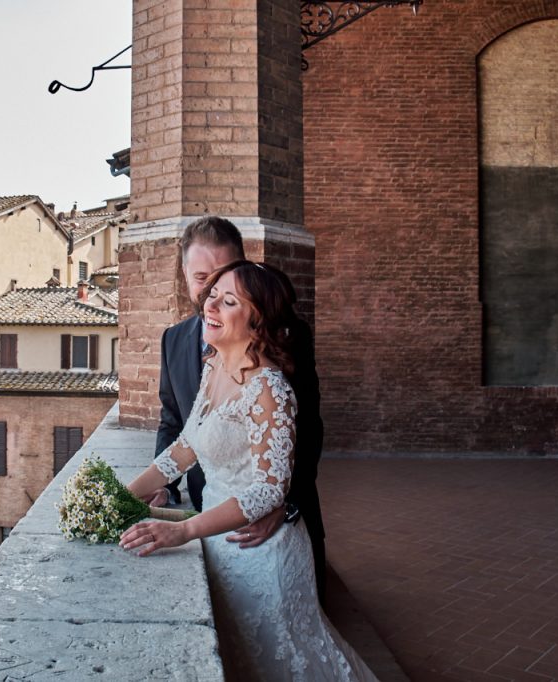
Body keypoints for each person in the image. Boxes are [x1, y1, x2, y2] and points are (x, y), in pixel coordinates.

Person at [120, 261, 377, 681]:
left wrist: (183, 531)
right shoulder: (214, 366)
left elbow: (268, 492)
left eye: (229, 300)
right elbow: (185, 449)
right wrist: (123, 496)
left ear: (257, 322)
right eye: (213, 294)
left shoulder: (269, 389)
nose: (212, 305)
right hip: (218, 541)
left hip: (260, 557)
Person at [147, 216, 328, 600]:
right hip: (210, 519)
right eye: (203, 281)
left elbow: (307, 429)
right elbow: (180, 431)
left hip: (264, 534)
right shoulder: (197, 354)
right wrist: (138, 492)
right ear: (184, 274)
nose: (211, 294)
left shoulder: (276, 368)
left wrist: (283, 504)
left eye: (225, 286)